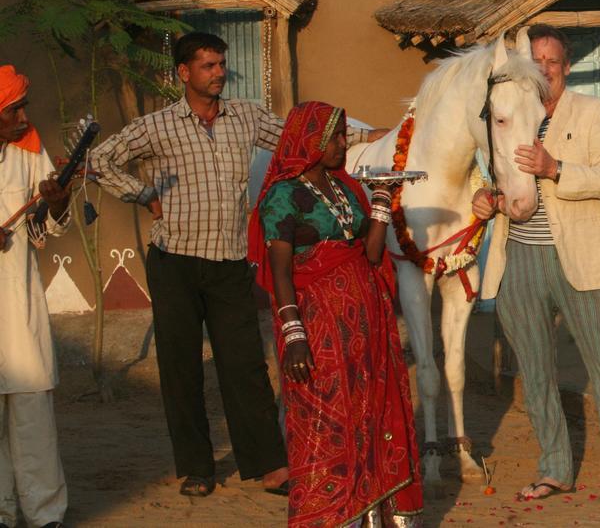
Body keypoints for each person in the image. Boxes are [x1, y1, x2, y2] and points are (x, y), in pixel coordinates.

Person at [90, 32, 386, 498]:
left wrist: (375, 135)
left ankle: (269, 466)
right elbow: (100, 159)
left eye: (221, 64)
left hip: (230, 262)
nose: (218, 73)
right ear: (183, 73)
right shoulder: (157, 126)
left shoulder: (245, 116)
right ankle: (197, 468)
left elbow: (300, 137)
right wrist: (143, 194)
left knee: (245, 364)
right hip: (175, 261)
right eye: (207, 66)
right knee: (181, 366)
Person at [471, 24, 600, 504]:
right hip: (520, 260)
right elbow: (488, 174)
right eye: (536, 61)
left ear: (566, 67)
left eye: (552, 61)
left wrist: (556, 169)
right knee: (534, 371)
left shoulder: (594, 112)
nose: (544, 69)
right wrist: (483, 197)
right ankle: (554, 468)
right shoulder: (508, 113)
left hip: (584, 261)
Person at [249, 101, 423, 527]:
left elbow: (372, 252)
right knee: (324, 421)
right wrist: (293, 335)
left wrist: (381, 199)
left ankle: (372, 514)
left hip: (367, 324)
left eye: (345, 136)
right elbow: (281, 272)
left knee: (370, 414)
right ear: (310, 141)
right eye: (335, 137)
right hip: (318, 326)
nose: (344, 144)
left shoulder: (345, 189)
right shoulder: (281, 196)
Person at [0, 66, 71, 528]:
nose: (24, 116)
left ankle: (45, 515)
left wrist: (58, 200)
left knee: (32, 417)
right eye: (13, 110)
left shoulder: (29, 149)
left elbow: (45, 224)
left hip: (18, 304)